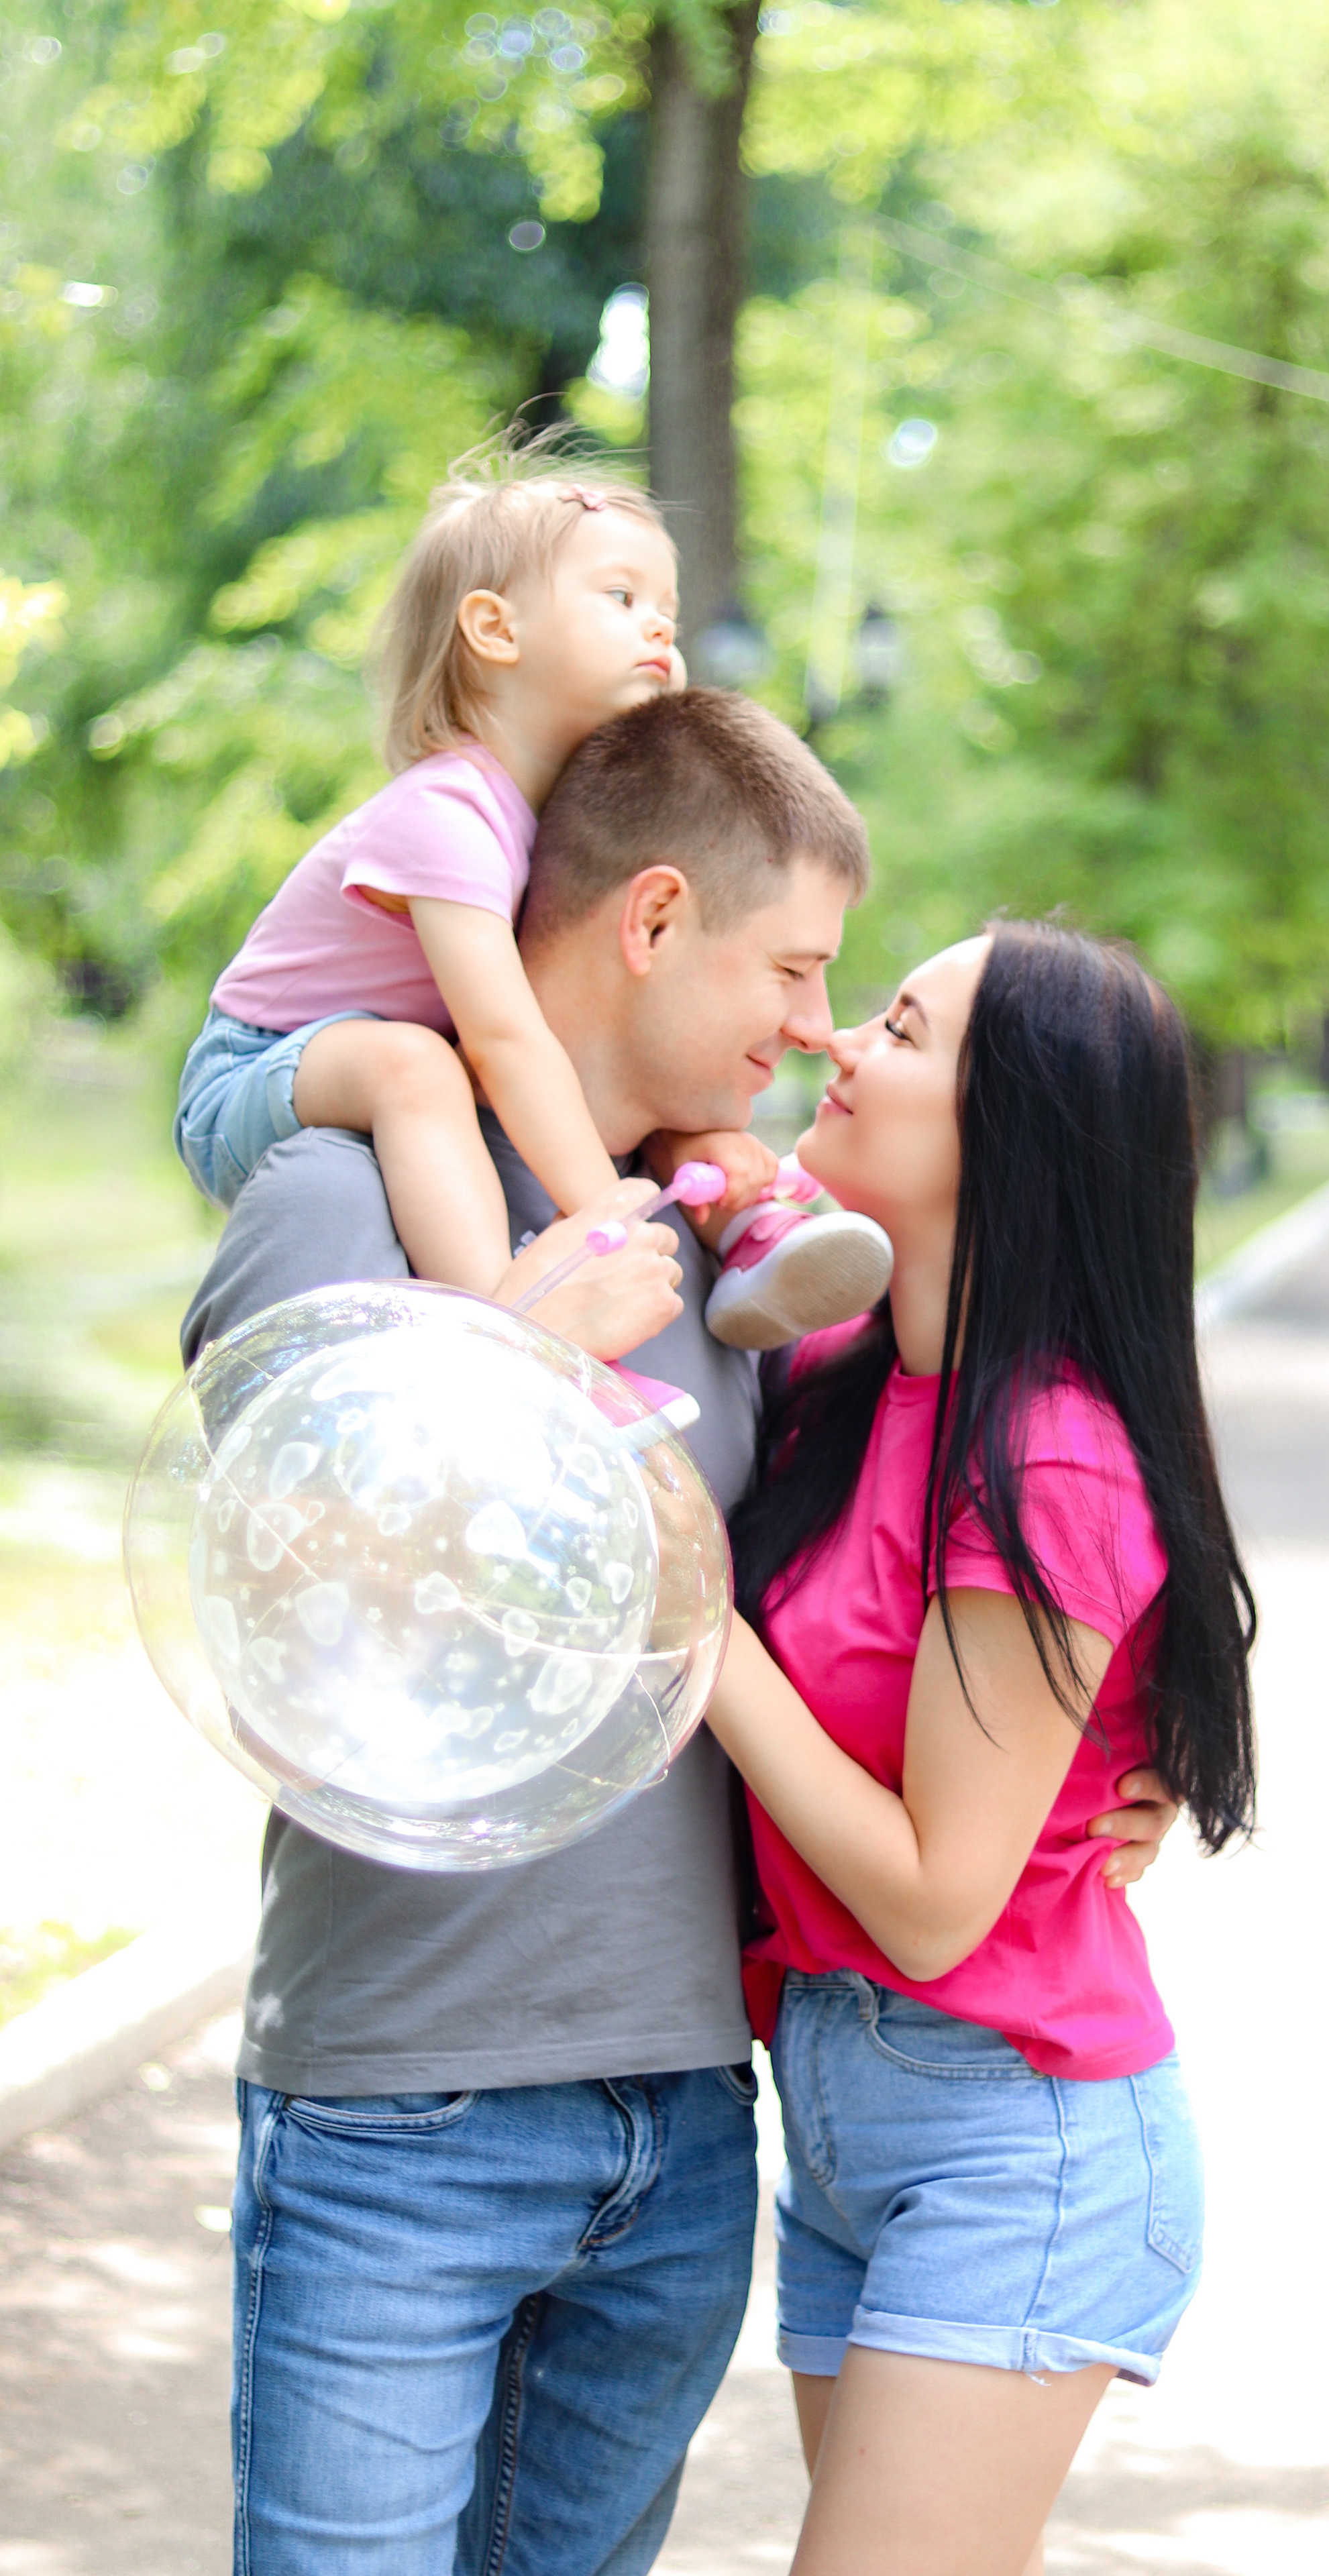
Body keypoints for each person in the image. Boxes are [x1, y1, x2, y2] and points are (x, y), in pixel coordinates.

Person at [185, 696, 1181, 2576]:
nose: (818, 1023)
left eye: (866, 1004)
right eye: (803, 969)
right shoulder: (339, 1193)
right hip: (406, 2111)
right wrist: (501, 1367)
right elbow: (264, 1599)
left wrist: (1129, 1774)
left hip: (690, 2129)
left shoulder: (742, 1255)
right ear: (653, 919)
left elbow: (1034, 1508)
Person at [708, 921, 1259, 2576]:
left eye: (894, 1027)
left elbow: (941, 1903)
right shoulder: (837, 1385)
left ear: (1005, 1126)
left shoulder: (1048, 1459)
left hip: (1009, 2136)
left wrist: (695, 1630)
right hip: (839, 2117)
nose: (836, 1049)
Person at [174, 447, 891, 1346]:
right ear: (494, 629)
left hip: (374, 1051)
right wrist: (607, 1220)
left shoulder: (540, 818)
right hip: (255, 1067)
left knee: (657, 1103)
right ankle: (512, 1309)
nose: (661, 629)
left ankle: (743, 1226)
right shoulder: (446, 813)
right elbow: (506, 1043)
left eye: (666, 609)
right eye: (623, 600)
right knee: (417, 1068)